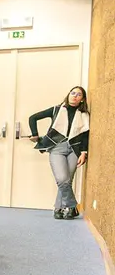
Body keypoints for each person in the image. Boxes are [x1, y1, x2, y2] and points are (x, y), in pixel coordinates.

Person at [28, 86, 90, 220]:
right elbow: (33, 118)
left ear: (82, 99)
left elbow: (85, 135)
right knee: (62, 179)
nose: (75, 96)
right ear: (68, 95)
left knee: (67, 181)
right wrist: (35, 134)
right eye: (72, 93)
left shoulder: (84, 115)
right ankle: (72, 206)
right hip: (57, 148)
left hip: (75, 149)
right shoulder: (56, 110)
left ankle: (59, 208)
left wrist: (84, 152)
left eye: (78, 94)